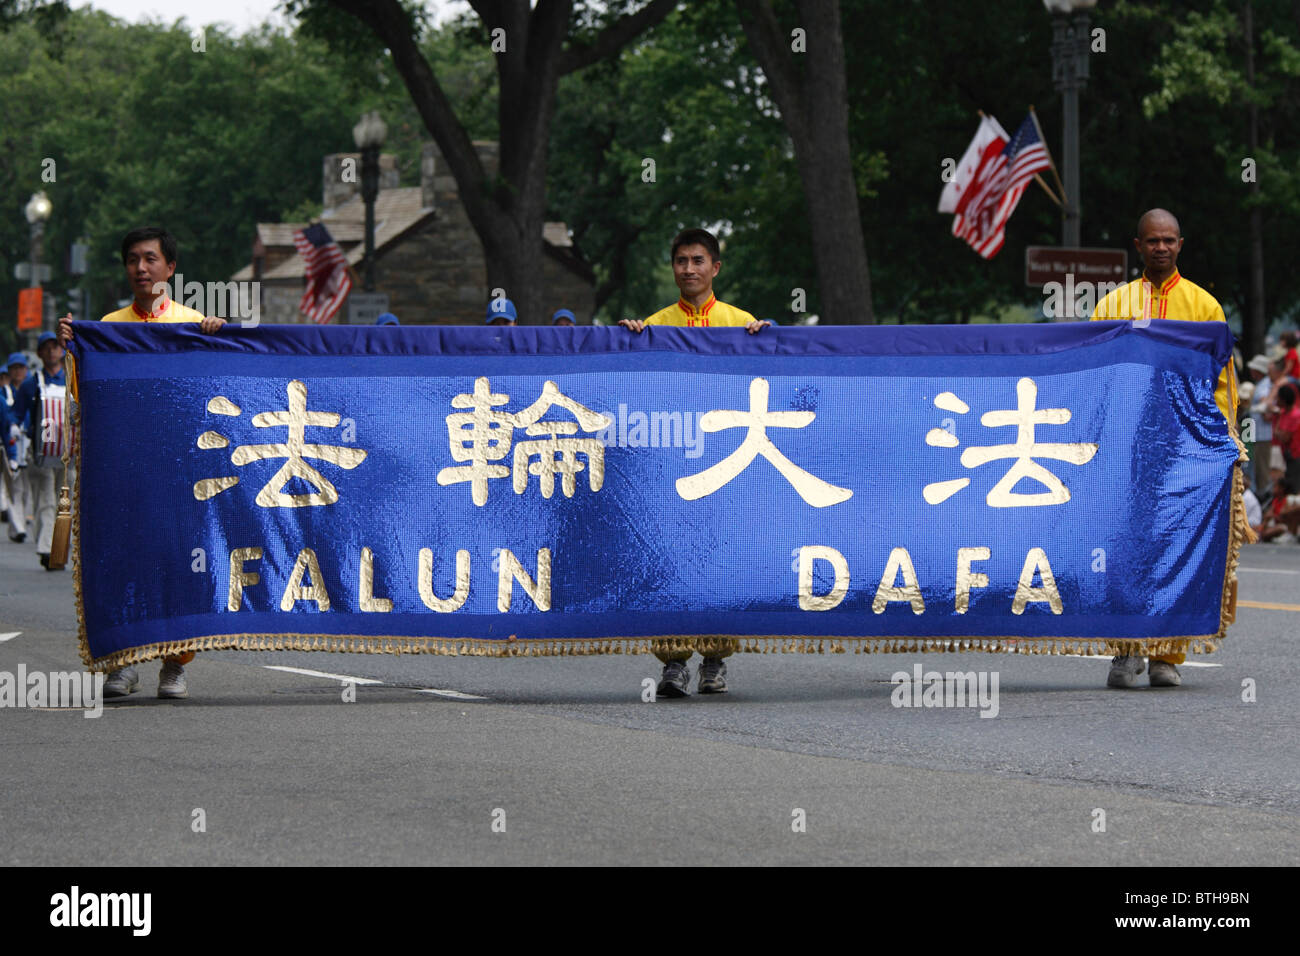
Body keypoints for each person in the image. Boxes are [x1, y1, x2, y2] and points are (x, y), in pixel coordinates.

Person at [59, 226, 225, 700]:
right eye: (133, 259)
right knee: (126, 563)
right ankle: (125, 661)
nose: (141, 268)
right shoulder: (108, 328)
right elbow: (83, 396)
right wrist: (74, 345)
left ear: (170, 268)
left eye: (150, 259)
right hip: (128, 471)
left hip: (183, 471)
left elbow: (215, 393)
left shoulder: (195, 323)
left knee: (180, 564)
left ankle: (175, 664)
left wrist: (214, 339)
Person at [619, 228, 771, 698]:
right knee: (670, 561)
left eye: (698, 260)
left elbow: (765, 382)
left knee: (721, 560)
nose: (689, 269)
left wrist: (767, 343)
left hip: (727, 465)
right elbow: (638, 392)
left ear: (715, 267)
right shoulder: (654, 325)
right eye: (681, 260)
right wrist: (629, 344)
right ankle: (672, 664)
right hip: (672, 463)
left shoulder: (740, 322)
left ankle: (715, 660)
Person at [1091, 209, 1237, 689]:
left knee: (1179, 545)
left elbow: (1222, 384)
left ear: (1180, 244)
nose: (1161, 248)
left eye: (1169, 240)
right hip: (1128, 452)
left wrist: (1225, 441)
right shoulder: (1113, 305)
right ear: (1137, 245)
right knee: (1127, 547)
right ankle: (1126, 651)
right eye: (1152, 241)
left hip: (1185, 451)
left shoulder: (1204, 307)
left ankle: (1167, 656)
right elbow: (1095, 376)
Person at [12, 332, 72, 572]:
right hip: (40, 453)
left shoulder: (72, 379)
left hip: (69, 453)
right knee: (47, 501)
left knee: (65, 504)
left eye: (55, 346)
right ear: (39, 353)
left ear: (62, 349)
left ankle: (61, 548)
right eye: (45, 348)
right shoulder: (31, 383)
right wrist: (15, 429)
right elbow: (16, 414)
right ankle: (49, 551)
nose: (51, 351)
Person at [2, 353, 31, 542]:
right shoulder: (3, 393)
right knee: (15, 487)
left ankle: (15, 527)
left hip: (28, 442)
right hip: (8, 444)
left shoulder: (32, 389)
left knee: (26, 489)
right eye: (14, 368)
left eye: (21, 368)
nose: (18, 371)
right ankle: (18, 527)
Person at [1246, 354, 1275, 493]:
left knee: (1261, 468)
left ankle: (1263, 494)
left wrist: (1262, 410)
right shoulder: (1262, 384)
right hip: (1256, 432)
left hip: (1262, 435)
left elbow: (1266, 405)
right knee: (1255, 465)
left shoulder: (1264, 386)